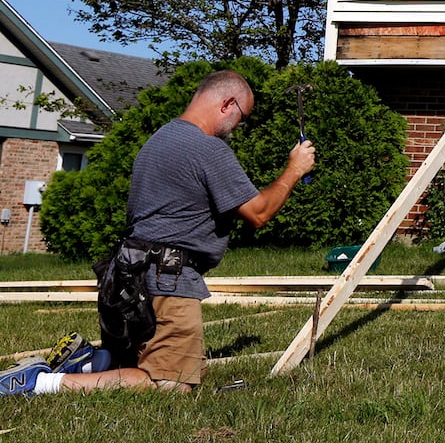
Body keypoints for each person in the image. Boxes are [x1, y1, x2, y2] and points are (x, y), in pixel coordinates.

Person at [0, 70, 315, 395]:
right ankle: (39, 384)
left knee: (171, 367)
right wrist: (294, 169)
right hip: (168, 281)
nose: (238, 127)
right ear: (228, 104)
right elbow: (258, 213)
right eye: (242, 117)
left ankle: (92, 363)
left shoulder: (160, 139)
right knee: (173, 382)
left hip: (128, 278)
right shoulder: (208, 148)